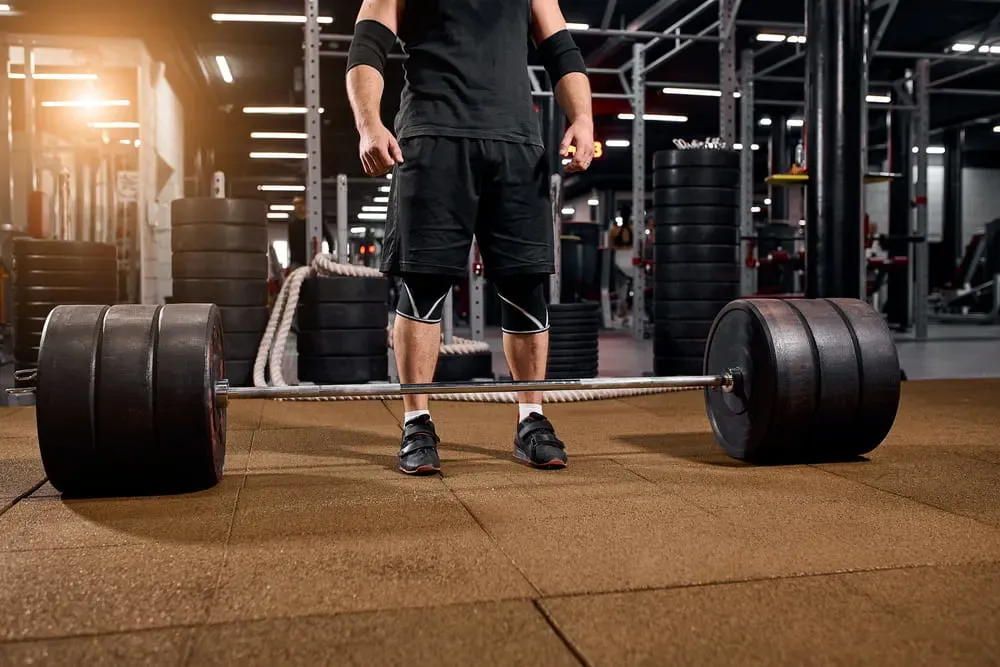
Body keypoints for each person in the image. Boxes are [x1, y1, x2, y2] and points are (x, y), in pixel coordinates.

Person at [345, 0, 594, 475]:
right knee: (423, 284)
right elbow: (367, 47)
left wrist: (582, 119)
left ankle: (531, 417)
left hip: (517, 145)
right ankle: (417, 421)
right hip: (432, 139)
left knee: (525, 284)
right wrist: (368, 124)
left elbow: (563, 51)